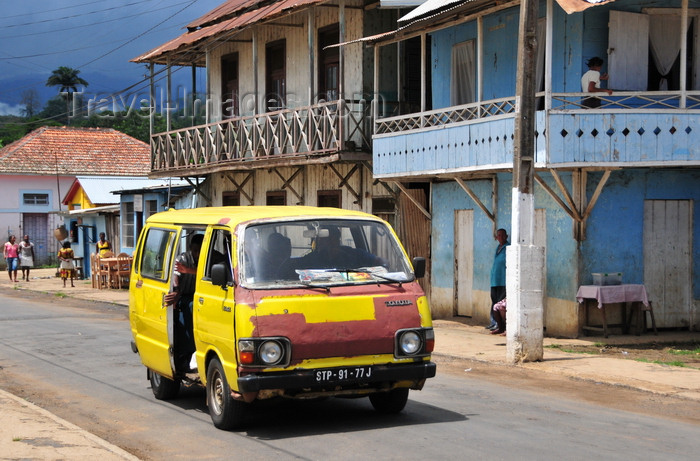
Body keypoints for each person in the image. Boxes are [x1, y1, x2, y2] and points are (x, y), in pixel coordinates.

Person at [164, 234, 203, 372]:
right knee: (186, 314)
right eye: (195, 250)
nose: (198, 254)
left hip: (205, 297)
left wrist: (189, 271)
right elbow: (176, 275)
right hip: (185, 295)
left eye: (200, 250)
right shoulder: (183, 258)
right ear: (190, 248)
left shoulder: (210, 257)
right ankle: (185, 356)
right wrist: (176, 291)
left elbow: (209, 272)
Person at [486, 228, 509, 331]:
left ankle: (500, 325)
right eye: (499, 235)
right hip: (495, 281)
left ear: (506, 236)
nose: (500, 237)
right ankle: (493, 322)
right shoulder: (498, 248)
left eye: (502, 235)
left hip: (503, 281)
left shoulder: (508, 247)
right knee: (494, 302)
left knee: (499, 303)